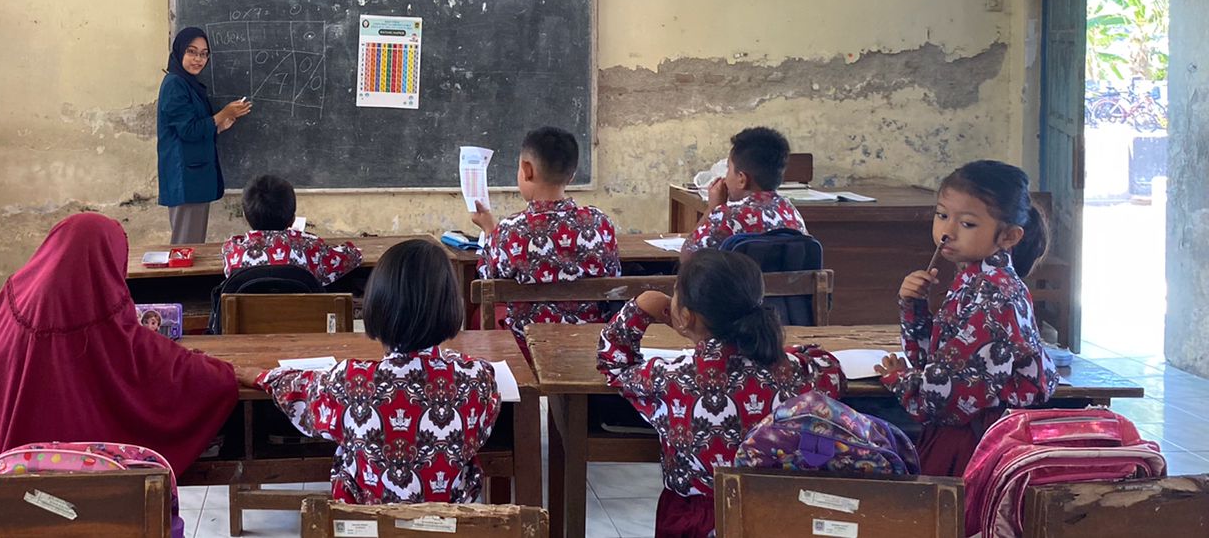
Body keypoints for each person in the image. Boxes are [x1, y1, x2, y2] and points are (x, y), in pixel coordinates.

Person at [0, 213, 246, 475]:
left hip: (3, 509)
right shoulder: (117, 338)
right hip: (101, 509)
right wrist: (230, 372)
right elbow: (185, 374)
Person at [597, 249, 845, 538]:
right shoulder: (797, 372)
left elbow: (613, 363)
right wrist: (779, 353)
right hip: (777, 514)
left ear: (685, 317)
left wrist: (640, 308)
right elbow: (829, 368)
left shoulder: (669, 378)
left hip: (696, 520)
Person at [250, 240, 501, 503]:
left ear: (377, 304)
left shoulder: (349, 379)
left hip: (364, 522)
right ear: (449, 305)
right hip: (449, 523)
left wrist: (259, 376)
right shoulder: (477, 379)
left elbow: (299, 391)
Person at [874, 160, 1057, 476]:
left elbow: (951, 395)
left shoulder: (995, 294)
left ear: (1009, 236)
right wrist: (914, 306)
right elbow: (935, 359)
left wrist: (901, 380)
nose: (947, 232)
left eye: (968, 224)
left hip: (976, 439)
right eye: (942, 215)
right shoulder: (974, 278)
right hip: (967, 428)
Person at [471, 126, 619, 348]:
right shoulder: (600, 223)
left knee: (479, 313)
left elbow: (487, 279)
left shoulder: (510, 231)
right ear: (572, 176)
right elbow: (614, 274)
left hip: (526, 346)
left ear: (527, 169)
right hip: (588, 344)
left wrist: (489, 231)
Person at [156, 27, 251, 244]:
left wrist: (219, 126)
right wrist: (222, 114)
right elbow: (188, 130)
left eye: (204, 54)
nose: (198, 59)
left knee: (192, 243)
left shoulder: (187, 84)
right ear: (179, 51)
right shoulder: (175, 84)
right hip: (185, 177)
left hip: (193, 177)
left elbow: (190, 127)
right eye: (191, 52)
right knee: (187, 245)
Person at [223, 174, 362, 285]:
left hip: (251, 314)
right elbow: (353, 256)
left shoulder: (232, 250)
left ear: (245, 216)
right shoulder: (311, 248)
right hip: (305, 313)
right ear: (293, 219)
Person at [687, 126, 805, 251]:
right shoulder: (790, 210)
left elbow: (688, 255)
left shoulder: (727, 216)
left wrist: (712, 209)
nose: (725, 177)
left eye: (728, 169)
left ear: (742, 179)